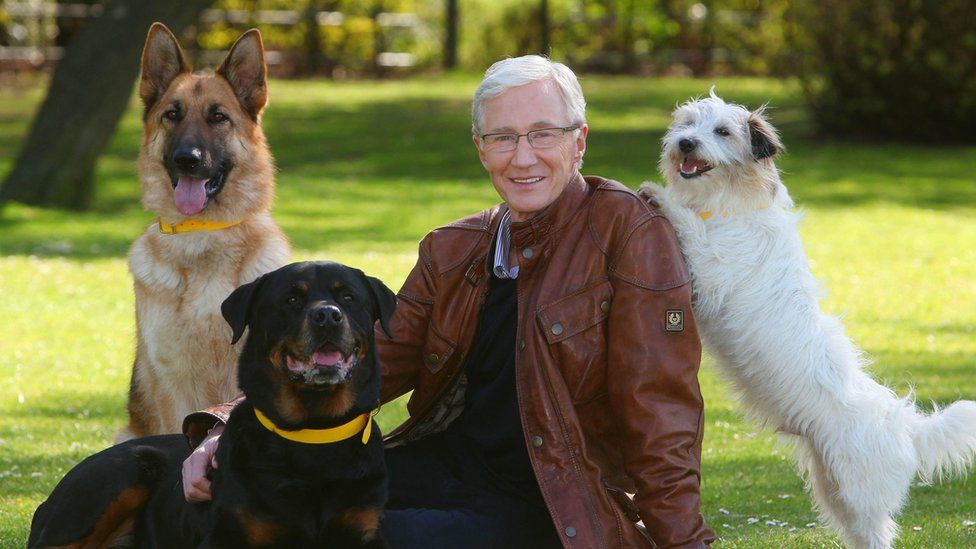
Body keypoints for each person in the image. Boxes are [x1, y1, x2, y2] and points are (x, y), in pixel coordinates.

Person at [182, 55, 715, 548]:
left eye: (543, 135)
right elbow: (373, 356)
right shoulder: (454, 248)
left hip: (555, 498)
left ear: (579, 142)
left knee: (369, 538)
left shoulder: (627, 232)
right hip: (446, 464)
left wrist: (683, 542)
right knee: (276, 506)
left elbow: (661, 412)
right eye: (503, 137)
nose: (523, 156)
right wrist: (226, 427)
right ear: (481, 148)